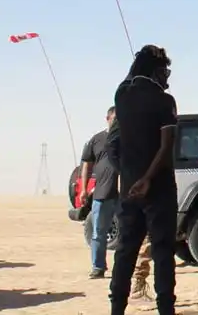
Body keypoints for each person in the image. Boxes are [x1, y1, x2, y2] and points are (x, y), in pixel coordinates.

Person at [106, 44, 178, 315]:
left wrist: (130, 176)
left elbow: (115, 142)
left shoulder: (122, 95)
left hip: (129, 187)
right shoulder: (164, 100)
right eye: (166, 70)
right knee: (162, 252)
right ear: (156, 71)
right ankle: (165, 309)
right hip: (157, 186)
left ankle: (117, 309)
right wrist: (148, 178)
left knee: (125, 251)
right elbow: (166, 145)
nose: (168, 77)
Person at [79, 105, 119, 279]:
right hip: (103, 193)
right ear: (108, 118)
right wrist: (83, 189)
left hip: (126, 193)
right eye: (115, 118)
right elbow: (86, 163)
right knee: (99, 232)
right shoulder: (97, 139)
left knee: (133, 234)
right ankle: (98, 267)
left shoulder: (128, 138)